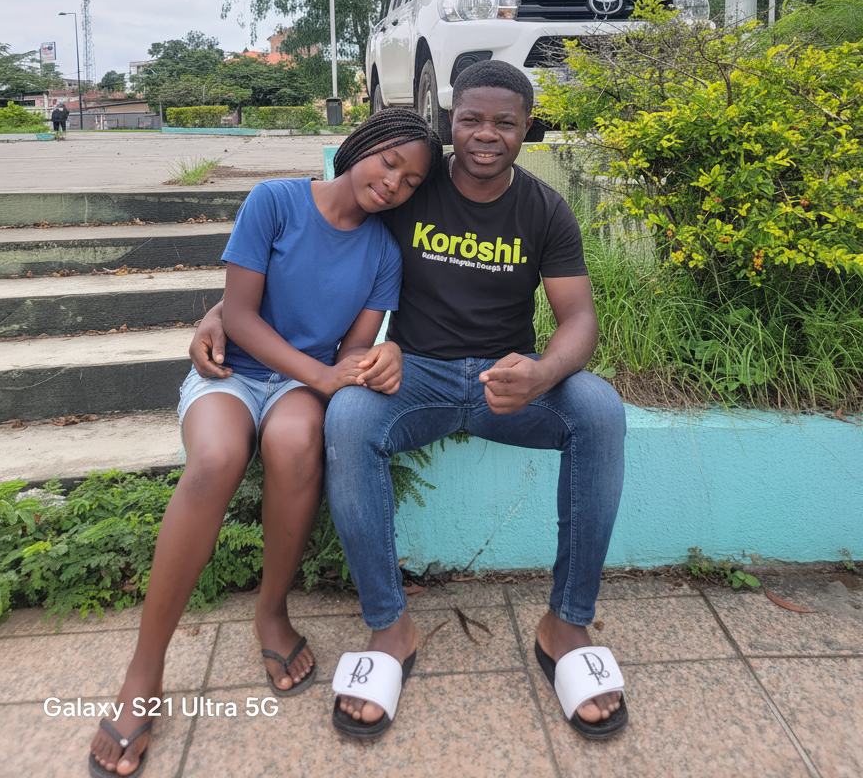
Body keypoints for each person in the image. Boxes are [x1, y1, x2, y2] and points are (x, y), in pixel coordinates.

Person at [191, 62, 628, 743]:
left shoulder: (544, 209)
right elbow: (316, 249)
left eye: (505, 122)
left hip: (505, 384)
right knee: (349, 416)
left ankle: (567, 625)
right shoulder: (410, 187)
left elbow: (580, 319)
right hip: (414, 377)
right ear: (451, 121)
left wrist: (544, 374)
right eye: (472, 119)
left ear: (527, 128)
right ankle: (389, 626)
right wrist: (221, 311)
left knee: (598, 409)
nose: (487, 134)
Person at [88, 109, 442, 778]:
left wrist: (375, 359)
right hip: (232, 372)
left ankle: (271, 613)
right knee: (216, 458)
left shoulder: (383, 253)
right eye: (389, 162)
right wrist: (317, 371)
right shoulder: (275, 201)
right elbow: (240, 315)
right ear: (359, 148)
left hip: (299, 387)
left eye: (412, 181)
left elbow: (352, 350)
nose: (395, 183)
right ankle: (144, 670)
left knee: (295, 441)